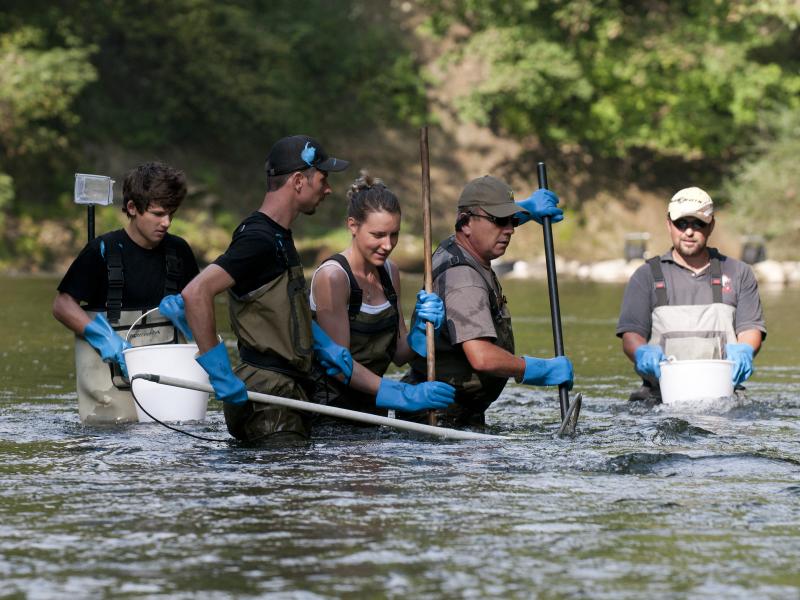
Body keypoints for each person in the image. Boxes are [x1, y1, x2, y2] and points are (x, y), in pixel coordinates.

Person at [180, 135, 454, 444]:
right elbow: (195, 293)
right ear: (298, 181)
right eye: (322, 179)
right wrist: (220, 374)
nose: (328, 188)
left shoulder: (279, 236)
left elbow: (282, 311)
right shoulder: (259, 239)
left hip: (288, 392)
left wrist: (323, 342)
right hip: (268, 397)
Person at [402, 175, 575, 427]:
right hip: (442, 419)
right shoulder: (464, 280)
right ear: (466, 223)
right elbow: (482, 357)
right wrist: (541, 370)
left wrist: (526, 209)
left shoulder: (457, 246)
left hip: (458, 412)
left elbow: (487, 223)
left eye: (513, 220)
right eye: (500, 220)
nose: (510, 229)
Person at [52, 162, 199, 424]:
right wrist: (101, 336)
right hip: (109, 396)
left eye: (171, 214)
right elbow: (62, 305)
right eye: (157, 214)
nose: (166, 223)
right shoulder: (101, 251)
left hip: (166, 393)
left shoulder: (179, 252)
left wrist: (187, 319)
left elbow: (200, 307)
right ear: (132, 208)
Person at [310, 172, 446, 417]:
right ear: (352, 225)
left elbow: (399, 355)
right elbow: (340, 368)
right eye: (378, 235)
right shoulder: (333, 277)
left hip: (374, 410)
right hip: (331, 415)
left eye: (394, 234)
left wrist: (421, 329)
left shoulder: (390, 272)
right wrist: (402, 394)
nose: (388, 245)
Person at [616, 186, 766, 402]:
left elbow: (751, 329)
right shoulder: (645, 275)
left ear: (711, 225)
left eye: (698, 224)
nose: (689, 231)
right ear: (669, 224)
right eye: (681, 223)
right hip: (660, 398)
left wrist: (745, 349)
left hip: (724, 398)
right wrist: (641, 353)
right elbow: (631, 336)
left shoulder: (739, 273)